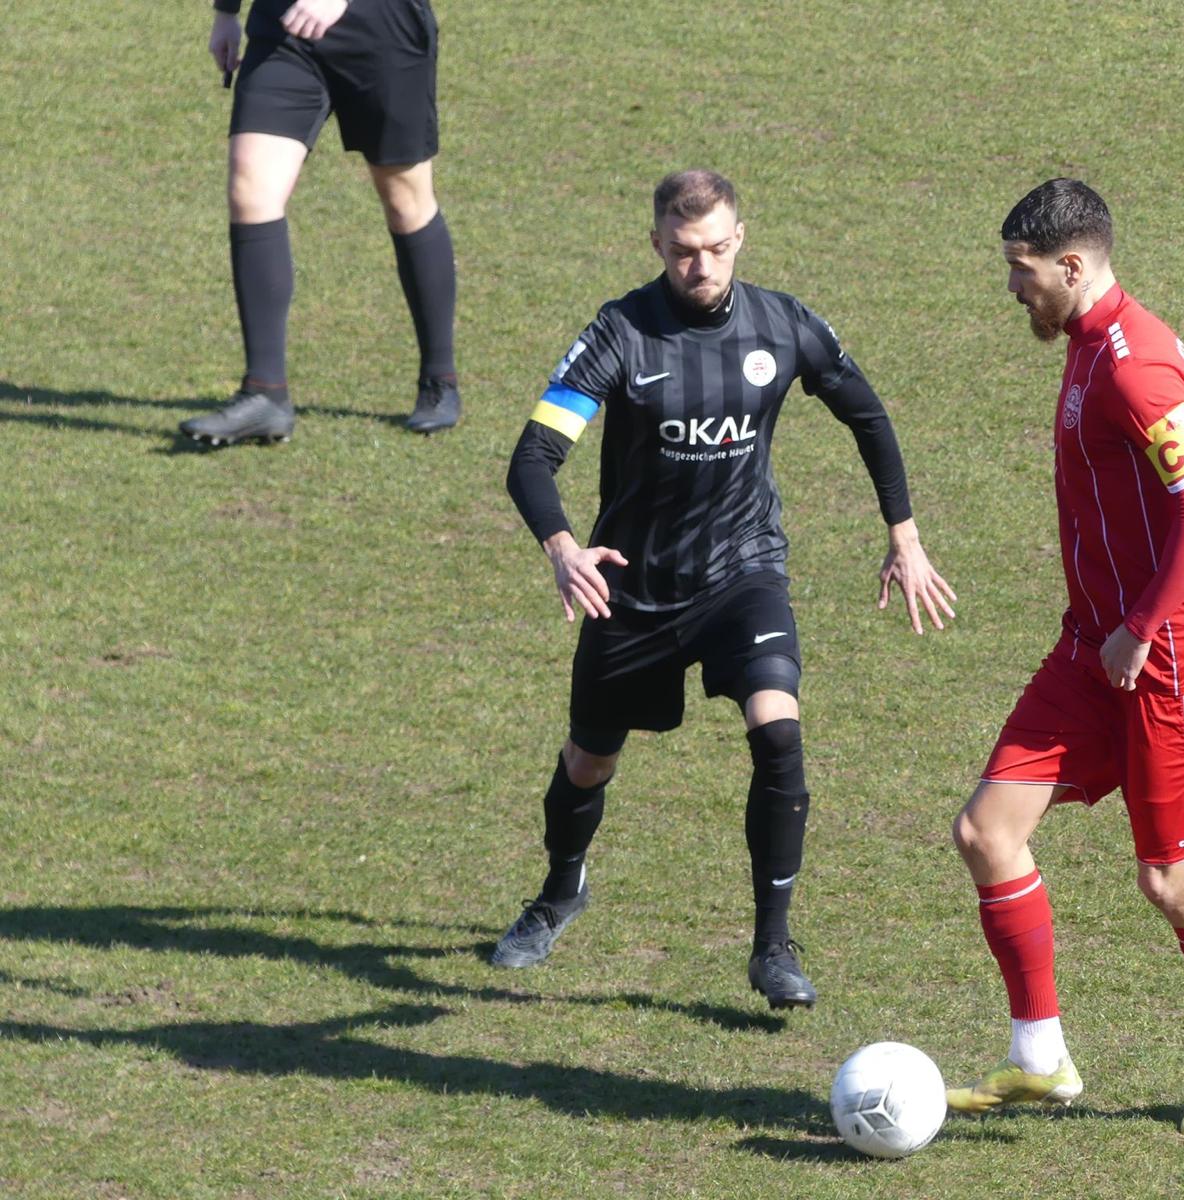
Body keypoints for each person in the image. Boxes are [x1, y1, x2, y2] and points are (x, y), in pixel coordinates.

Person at [498, 169, 955, 1009]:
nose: (699, 267)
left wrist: (905, 538)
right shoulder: (619, 334)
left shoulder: (783, 324)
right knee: (589, 761)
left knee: (778, 733)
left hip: (742, 571)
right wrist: (563, 547)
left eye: (713, 249)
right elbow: (532, 456)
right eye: (681, 252)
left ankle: (773, 947)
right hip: (631, 587)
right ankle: (561, 893)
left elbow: (868, 415)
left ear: (739, 237)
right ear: (657, 247)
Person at [945, 179, 1184, 1135]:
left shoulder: (1135, 370)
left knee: (1169, 878)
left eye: (1022, 273)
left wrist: (1138, 623)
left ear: (1072, 265)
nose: (1014, 290)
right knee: (986, 832)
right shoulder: (1093, 345)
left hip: (1171, 653)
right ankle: (1038, 1059)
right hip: (1096, 644)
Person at [181, 0, 460, 446]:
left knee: (406, 200)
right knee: (251, 190)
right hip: (284, 29)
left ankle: (439, 379)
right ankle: (265, 393)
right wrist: (225, 12)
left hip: (382, 28)